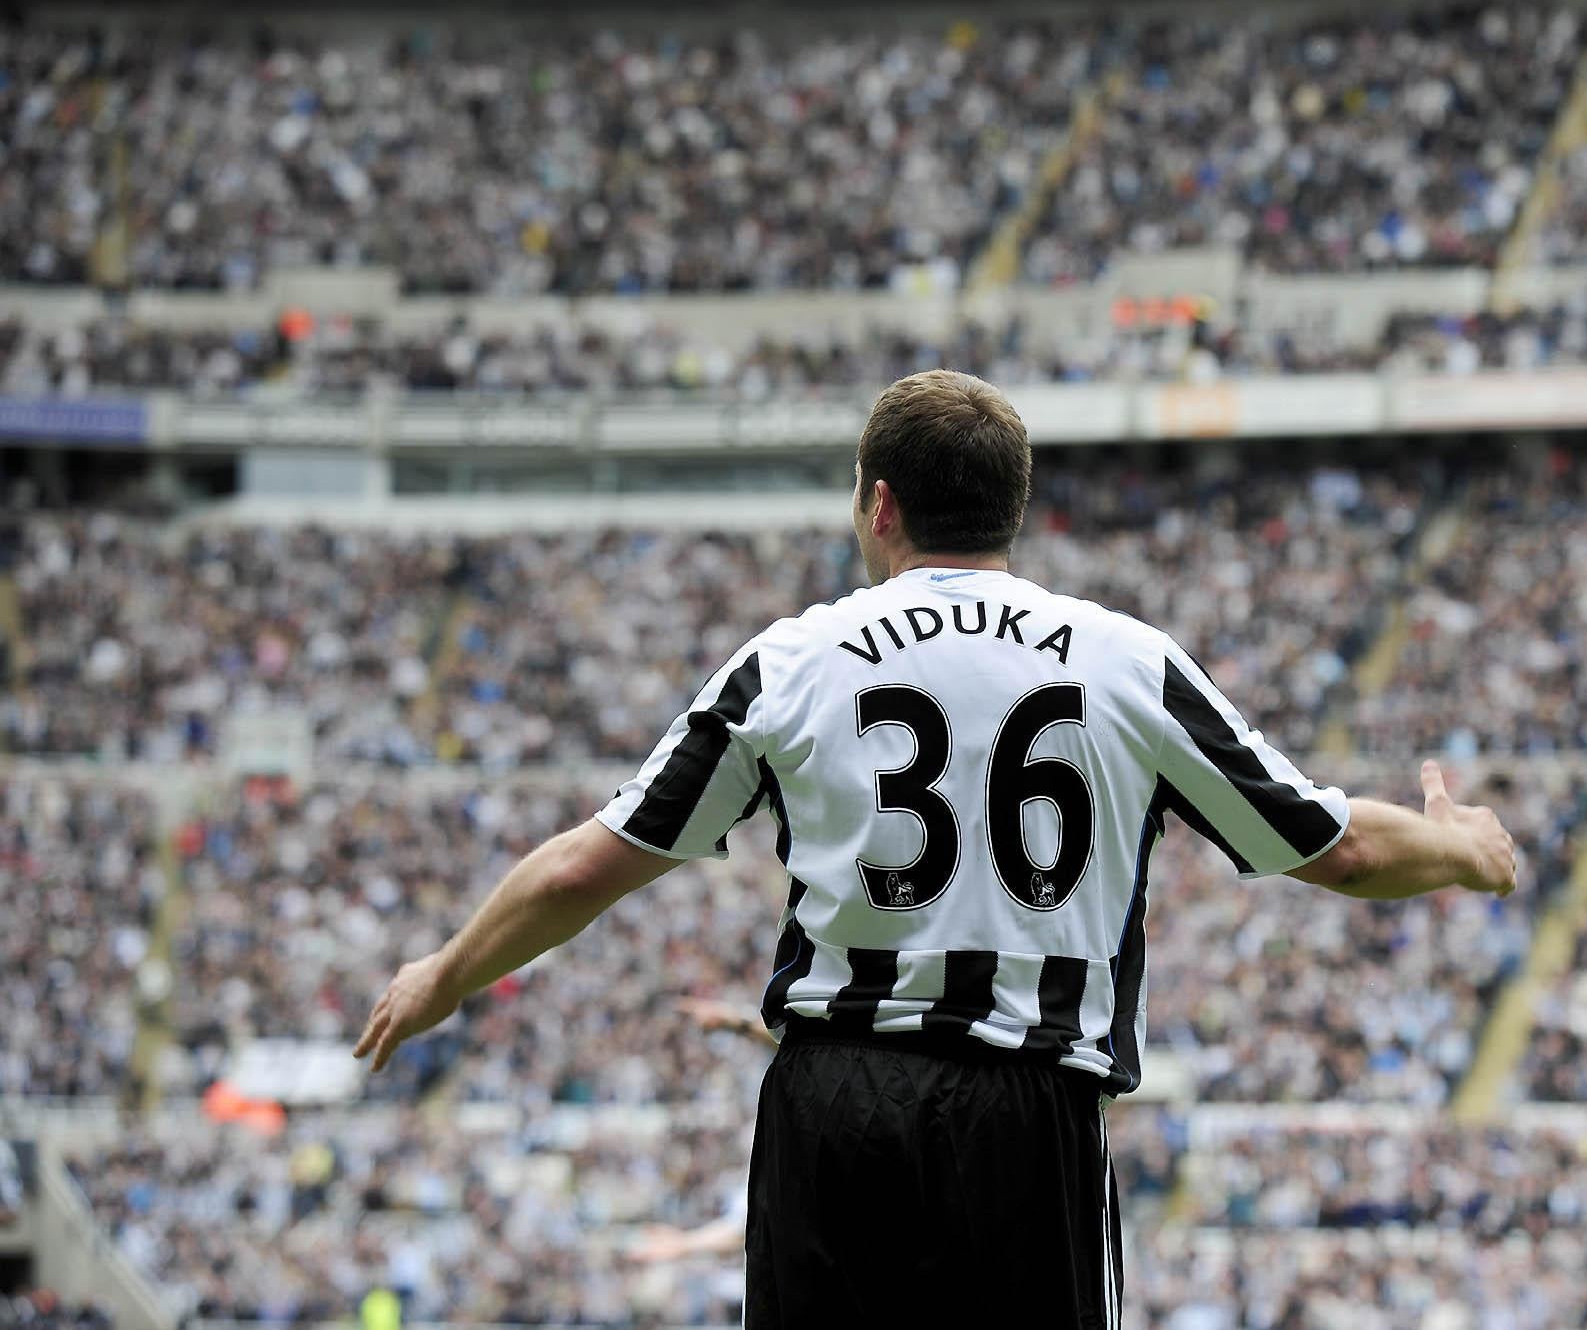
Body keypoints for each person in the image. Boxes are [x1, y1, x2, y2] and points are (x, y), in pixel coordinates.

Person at [353, 369, 1516, 1328]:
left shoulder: (795, 661)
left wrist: (441, 973)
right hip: (1029, 1111)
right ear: (1012, 510)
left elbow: (579, 868)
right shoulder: (1122, 662)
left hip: (831, 1106)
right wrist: (1459, 847)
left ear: (876, 504)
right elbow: (1340, 848)